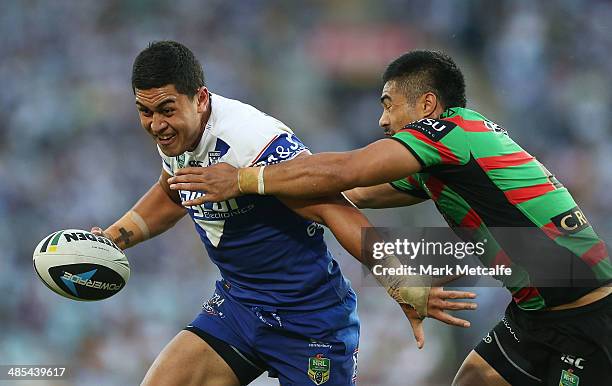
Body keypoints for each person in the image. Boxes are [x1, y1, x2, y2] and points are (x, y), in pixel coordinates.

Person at [169, 50, 612, 386]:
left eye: (389, 104)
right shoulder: (444, 166)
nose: (382, 120)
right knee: (474, 379)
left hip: (587, 313)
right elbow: (345, 193)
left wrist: (246, 178)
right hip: (536, 313)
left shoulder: (450, 133)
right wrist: (271, 178)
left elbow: (345, 171)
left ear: (426, 105)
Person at [92, 42, 476, 386]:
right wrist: (116, 237)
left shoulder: (252, 142)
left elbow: (333, 208)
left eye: (165, 110)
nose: (156, 124)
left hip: (309, 320)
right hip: (239, 305)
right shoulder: (176, 134)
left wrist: (401, 281)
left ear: (201, 99)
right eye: (144, 111)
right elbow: (171, 189)